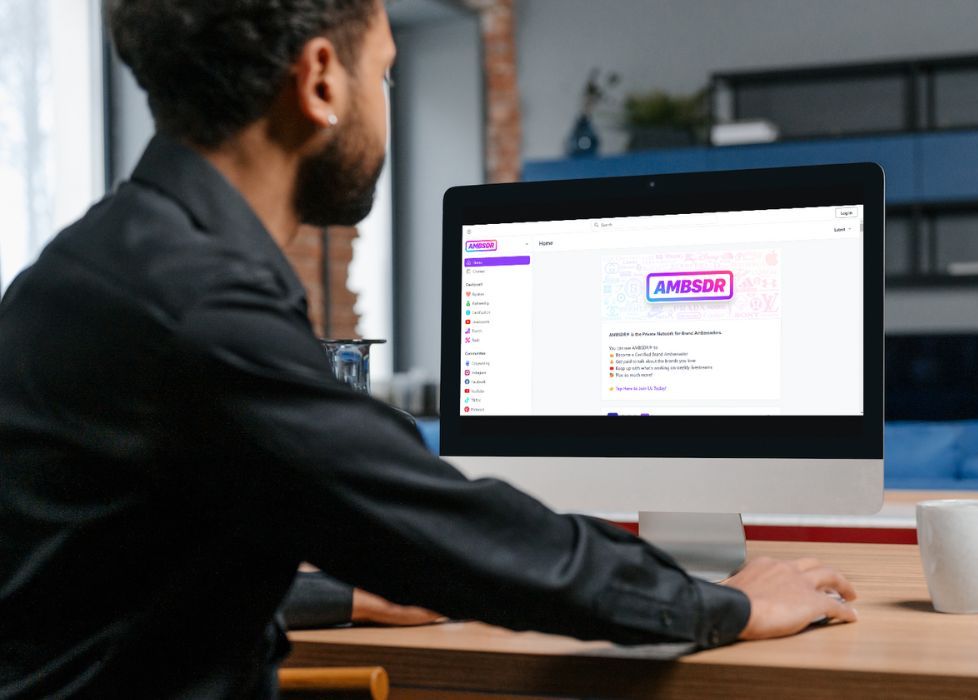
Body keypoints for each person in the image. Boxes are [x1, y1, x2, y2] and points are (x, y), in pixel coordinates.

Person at [0, 1, 858, 697]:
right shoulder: (200, 312)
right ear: (321, 82)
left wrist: (347, 594)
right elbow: (466, 540)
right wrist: (724, 605)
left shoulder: (94, 269)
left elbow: (108, 581)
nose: (386, 103)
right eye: (384, 73)